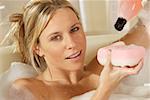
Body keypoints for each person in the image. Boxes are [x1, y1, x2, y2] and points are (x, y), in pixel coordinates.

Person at [6, 0, 143, 100]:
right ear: (37, 48)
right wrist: (104, 91)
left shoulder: (99, 71)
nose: (72, 43)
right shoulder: (25, 90)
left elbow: (143, 31)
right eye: (56, 37)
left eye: (74, 29)